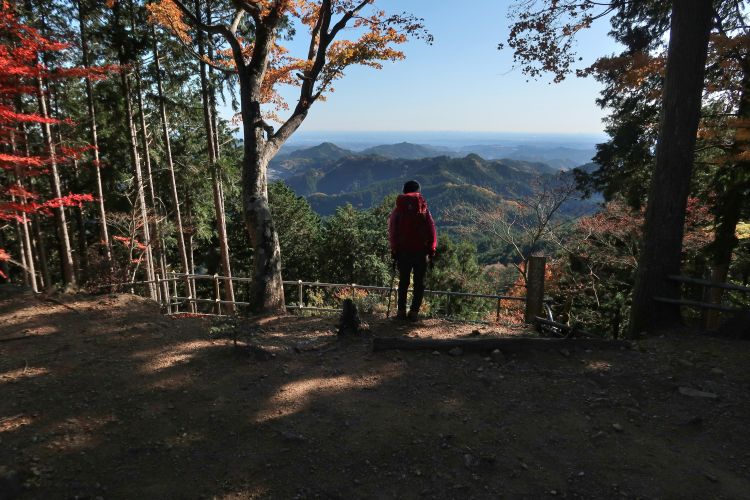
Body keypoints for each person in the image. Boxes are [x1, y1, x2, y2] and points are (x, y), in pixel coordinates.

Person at [388, 180, 437, 321]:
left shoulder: (398, 210)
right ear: (418, 191)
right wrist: (432, 249)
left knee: (403, 282)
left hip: (403, 252)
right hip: (421, 252)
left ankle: (401, 312)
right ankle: (414, 313)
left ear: (404, 191)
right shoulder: (423, 209)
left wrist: (394, 249)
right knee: (419, 283)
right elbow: (431, 229)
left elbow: (392, 230)